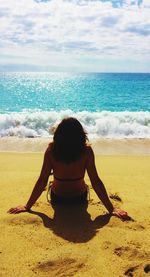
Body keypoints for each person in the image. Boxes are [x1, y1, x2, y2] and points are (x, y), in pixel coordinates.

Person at [8, 117, 128, 219]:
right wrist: (111, 209)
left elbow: (42, 181)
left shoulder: (51, 150)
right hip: (79, 199)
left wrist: (27, 206)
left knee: (52, 180)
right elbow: (95, 181)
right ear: (81, 134)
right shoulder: (87, 151)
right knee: (85, 183)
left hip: (58, 199)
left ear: (58, 134)